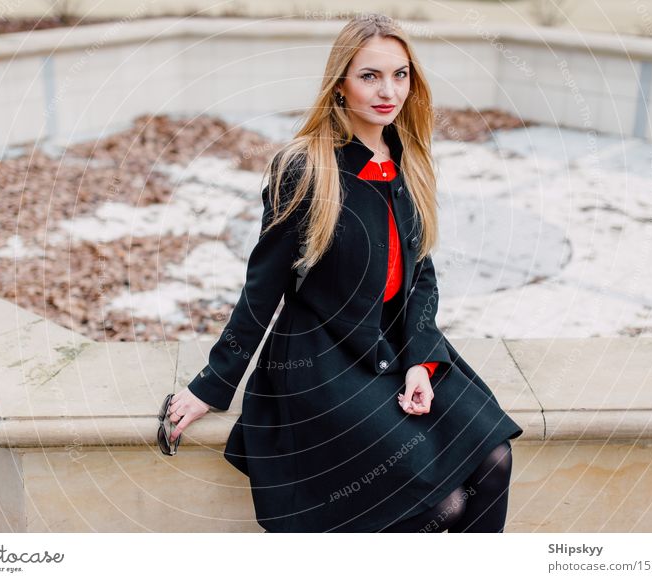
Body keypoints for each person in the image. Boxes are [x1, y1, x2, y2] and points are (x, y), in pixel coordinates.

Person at [166, 13, 524, 533]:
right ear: (340, 84)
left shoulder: (408, 158)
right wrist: (212, 384)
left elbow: (421, 275)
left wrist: (422, 363)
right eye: (370, 76)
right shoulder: (305, 168)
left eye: (400, 75)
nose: (388, 91)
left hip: (398, 346)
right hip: (322, 362)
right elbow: (263, 287)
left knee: (495, 463)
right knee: (440, 507)